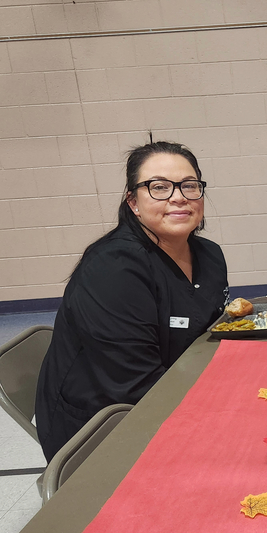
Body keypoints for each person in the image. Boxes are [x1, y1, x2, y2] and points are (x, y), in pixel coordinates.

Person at [35, 141, 228, 462]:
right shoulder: (112, 269)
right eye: (159, 187)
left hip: (179, 388)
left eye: (189, 186)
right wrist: (223, 408)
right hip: (104, 426)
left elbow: (213, 335)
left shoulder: (209, 256)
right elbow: (135, 387)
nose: (178, 196)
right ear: (133, 202)